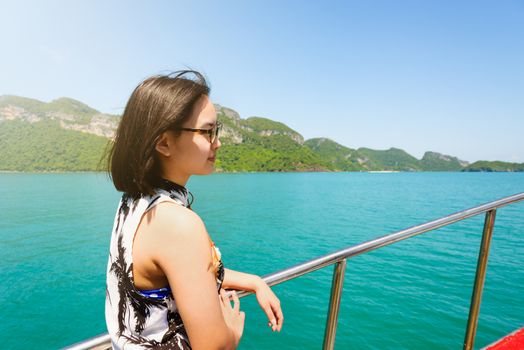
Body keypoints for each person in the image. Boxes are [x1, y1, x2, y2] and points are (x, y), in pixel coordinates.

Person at [104, 70, 283, 349]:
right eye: (207, 132)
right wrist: (231, 332)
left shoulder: (135, 203)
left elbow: (187, 273)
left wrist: (255, 281)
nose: (217, 142)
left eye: (216, 131)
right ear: (164, 142)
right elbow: (213, 346)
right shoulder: (177, 223)